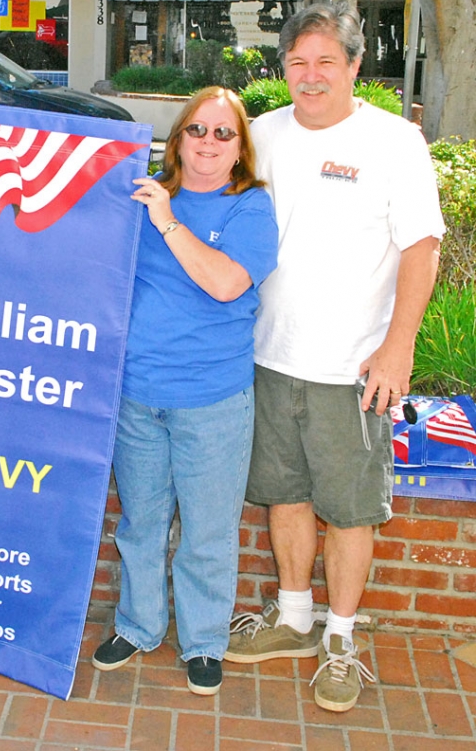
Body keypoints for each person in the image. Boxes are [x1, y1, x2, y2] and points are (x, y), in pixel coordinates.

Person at [224, 1, 444, 713]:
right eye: (298, 63)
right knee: (283, 493)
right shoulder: (262, 134)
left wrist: (397, 346)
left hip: (353, 368)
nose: (310, 76)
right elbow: (185, 177)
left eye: (326, 62)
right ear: (282, 68)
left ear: (354, 66)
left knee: (349, 510)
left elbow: (422, 245)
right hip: (269, 356)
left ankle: (341, 637)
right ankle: (292, 618)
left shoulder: (393, 142)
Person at [87, 87, 278, 695]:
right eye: (197, 131)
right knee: (140, 522)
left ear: (240, 148)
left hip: (213, 398)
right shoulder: (139, 195)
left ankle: (203, 642)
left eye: (224, 134)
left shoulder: (249, 208)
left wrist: (166, 219)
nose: (208, 144)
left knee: (206, 531)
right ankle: (139, 625)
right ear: (178, 138)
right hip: (138, 393)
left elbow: (224, 283)